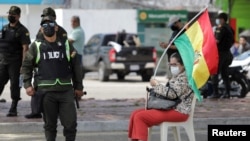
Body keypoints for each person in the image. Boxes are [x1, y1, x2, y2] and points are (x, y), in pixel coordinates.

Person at [21, 15, 84, 141]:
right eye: (44, 25)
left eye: (50, 25)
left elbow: (76, 66)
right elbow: (26, 66)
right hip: (46, 92)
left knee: (71, 124)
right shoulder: (36, 46)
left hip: (66, 90)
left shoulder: (66, 44)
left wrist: (79, 87)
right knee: (50, 125)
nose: (47, 27)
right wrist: (27, 85)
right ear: (41, 29)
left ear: (56, 27)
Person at [128, 52, 194, 141]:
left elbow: (172, 94)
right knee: (135, 114)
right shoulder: (177, 76)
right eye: (170, 64)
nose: (172, 67)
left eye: (174, 64)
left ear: (183, 64)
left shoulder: (185, 78)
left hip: (179, 111)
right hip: (170, 107)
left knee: (140, 117)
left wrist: (157, 85)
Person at [25, 7, 68, 119]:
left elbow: (63, 46)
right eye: (44, 16)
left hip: (56, 61)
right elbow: (38, 44)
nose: (46, 18)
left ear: (55, 17)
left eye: (49, 16)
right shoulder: (42, 29)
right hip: (42, 60)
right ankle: (35, 111)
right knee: (37, 87)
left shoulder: (61, 31)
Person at [0, 6, 31, 117]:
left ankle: (14, 107)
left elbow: (25, 49)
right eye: (9, 14)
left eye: (13, 15)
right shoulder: (4, 29)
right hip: (3, 61)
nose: (10, 16)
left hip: (15, 63)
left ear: (18, 16)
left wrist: (23, 65)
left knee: (15, 85)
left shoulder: (22, 30)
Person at [208, 12, 234, 99]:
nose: (217, 20)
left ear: (222, 19)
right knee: (224, 74)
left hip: (220, 53)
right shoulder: (230, 28)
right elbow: (233, 41)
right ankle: (227, 93)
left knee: (214, 72)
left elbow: (217, 41)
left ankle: (215, 93)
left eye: (219, 19)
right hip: (227, 53)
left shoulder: (221, 28)